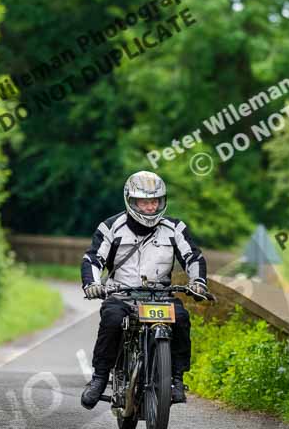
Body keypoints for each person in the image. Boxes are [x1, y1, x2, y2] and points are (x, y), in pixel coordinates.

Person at [80, 170, 208, 409]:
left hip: (160, 297)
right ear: (131, 201)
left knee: (180, 318)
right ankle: (99, 378)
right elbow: (92, 259)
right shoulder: (111, 227)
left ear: (161, 202)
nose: (150, 207)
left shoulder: (175, 228)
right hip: (122, 295)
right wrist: (93, 284)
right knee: (112, 319)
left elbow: (194, 257)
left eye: (154, 201)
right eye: (144, 202)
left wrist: (198, 282)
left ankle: (176, 379)